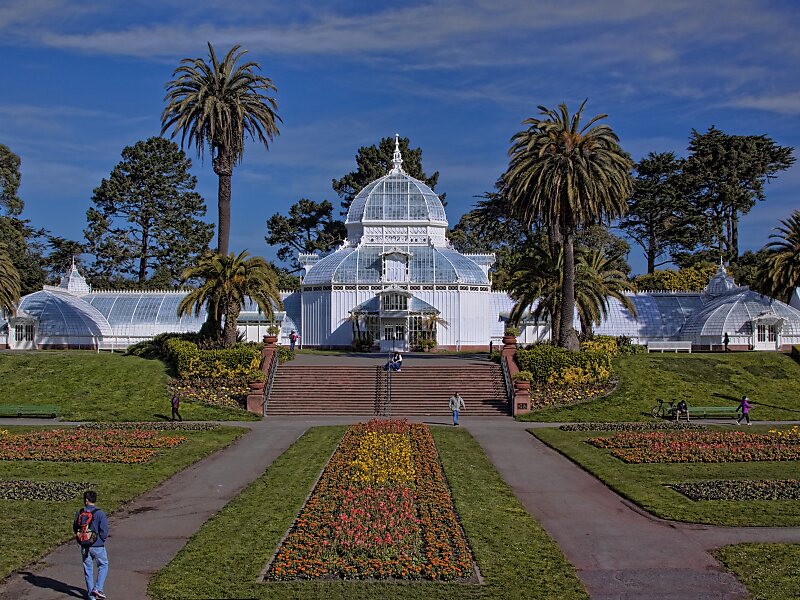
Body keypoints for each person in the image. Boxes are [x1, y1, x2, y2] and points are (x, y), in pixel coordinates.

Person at [74, 490, 109, 599]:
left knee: (88, 570)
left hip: (84, 545)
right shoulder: (100, 513)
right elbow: (104, 531)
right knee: (103, 565)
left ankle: (91, 596)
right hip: (98, 546)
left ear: (86, 500)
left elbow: (75, 527)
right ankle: (98, 588)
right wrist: (101, 540)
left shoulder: (80, 512)